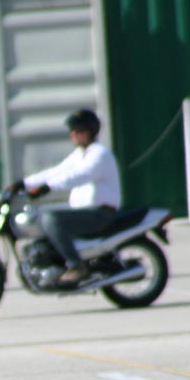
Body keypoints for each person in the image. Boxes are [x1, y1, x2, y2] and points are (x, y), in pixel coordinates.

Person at [12, 108, 122, 286]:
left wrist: (48, 188)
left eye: (77, 130)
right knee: (39, 215)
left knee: (52, 219)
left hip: (100, 213)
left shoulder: (99, 154)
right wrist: (23, 183)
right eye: (72, 130)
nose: (73, 134)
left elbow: (79, 175)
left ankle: (76, 266)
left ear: (89, 131)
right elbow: (57, 171)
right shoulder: (80, 154)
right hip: (84, 211)